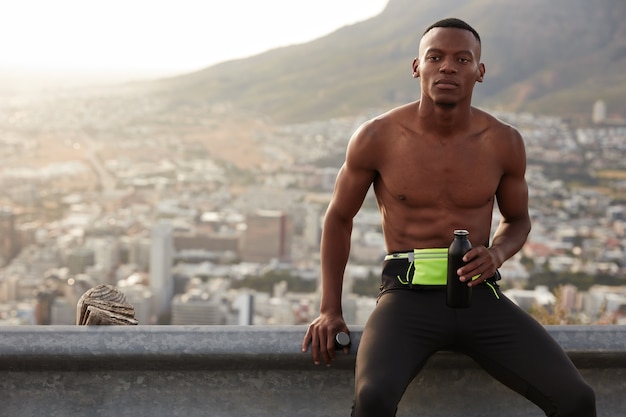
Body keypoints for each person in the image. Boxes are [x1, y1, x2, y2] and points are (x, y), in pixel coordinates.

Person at [301, 17, 597, 417]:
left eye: (462, 59)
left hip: (481, 296)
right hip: (406, 298)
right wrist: (329, 309)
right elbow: (338, 218)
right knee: (373, 400)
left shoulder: (504, 142)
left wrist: (496, 253)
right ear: (416, 66)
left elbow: (518, 220)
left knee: (578, 400)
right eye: (435, 57)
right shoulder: (377, 136)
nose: (447, 67)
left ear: (480, 71)